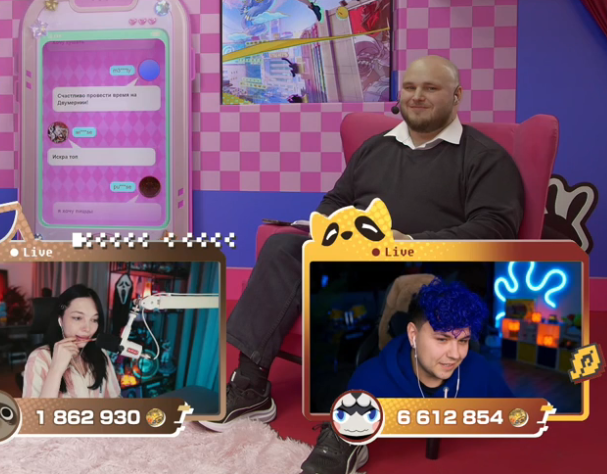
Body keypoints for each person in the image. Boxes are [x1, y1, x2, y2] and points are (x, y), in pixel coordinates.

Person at [202, 55, 523, 434]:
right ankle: (250, 384)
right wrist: (331, 231)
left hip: (424, 264)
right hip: (351, 255)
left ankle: (353, 414)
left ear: (456, 96)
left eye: (431, 88)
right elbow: (336, 201)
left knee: (382, 291)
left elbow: (494, 228)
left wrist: (410, 242)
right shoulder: (375, 149)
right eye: (410, 87)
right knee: (283, 248)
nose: (417, 96)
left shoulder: (485, 158)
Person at [302, 279, 513, 474]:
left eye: (463, 341)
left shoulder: (481, 371)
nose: (455, 354)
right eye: (442, 339)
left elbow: (514, 421)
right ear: (413, 335)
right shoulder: (370, 381)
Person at [22, 285, 122, 399]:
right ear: (60, 320)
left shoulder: (101, 354)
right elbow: (37, 410)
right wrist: (56, 369)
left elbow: (115, 399)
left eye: (94, 319)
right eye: (78, 318)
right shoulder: (39, 359)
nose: (87, 328)